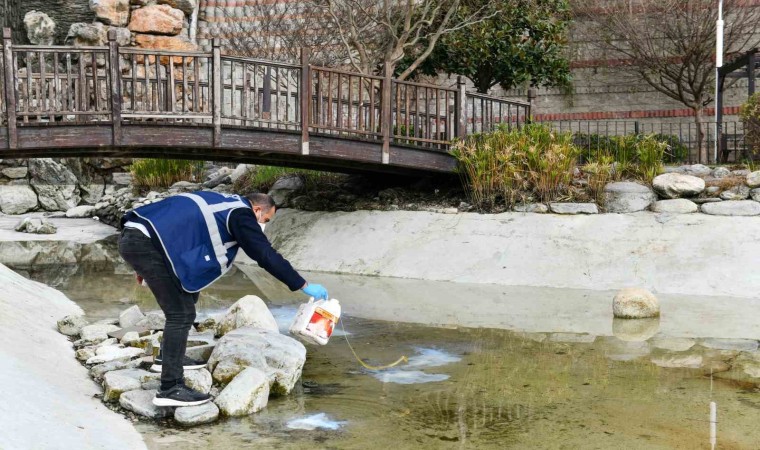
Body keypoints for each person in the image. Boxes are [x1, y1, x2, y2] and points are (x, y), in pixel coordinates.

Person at [118, 191, 328, 407]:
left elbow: (179, 221)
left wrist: (141, 260)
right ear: (257, 209)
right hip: (147, 244)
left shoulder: (223, 201)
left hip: (138, 235)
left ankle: (169, 357)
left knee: (187, 289)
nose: (263, 225)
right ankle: (170, 388)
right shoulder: (241, 214)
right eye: (265, 220)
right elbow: (264, 254)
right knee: (180, 314)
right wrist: (302, 284)